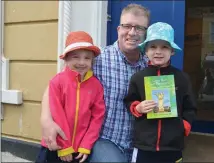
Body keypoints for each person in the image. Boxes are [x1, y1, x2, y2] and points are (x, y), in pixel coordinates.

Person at [40, 3, 150, 162]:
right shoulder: (97, 60)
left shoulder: (150, 66)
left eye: (139, 28)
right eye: (127, 26)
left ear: (146, 32)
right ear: (118, 29)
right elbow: (57, 85)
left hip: (140, 141)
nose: (132, 32)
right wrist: (46, 120)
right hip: (104, 139)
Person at [124, 22, 197, 163]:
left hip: (172, 146)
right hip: (144, 145)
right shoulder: (138, 77)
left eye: (164, 47)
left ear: (172, 51)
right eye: (153, 47)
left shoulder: (182, 78)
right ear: (145, 51)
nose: (158, 51)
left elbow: (190, 107)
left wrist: (184, 126)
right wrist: (137, 107)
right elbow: (130, 100)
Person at [36, 31, 105, 163]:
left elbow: (97, 118)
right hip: (56, 146)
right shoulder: (57, 82)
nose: (81, 62)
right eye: (75, 57)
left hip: (80, 150)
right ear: (66, 59)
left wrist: (86, 145)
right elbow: (57, 114)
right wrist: (64, 147)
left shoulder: (96, 86)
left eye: (87, 58)